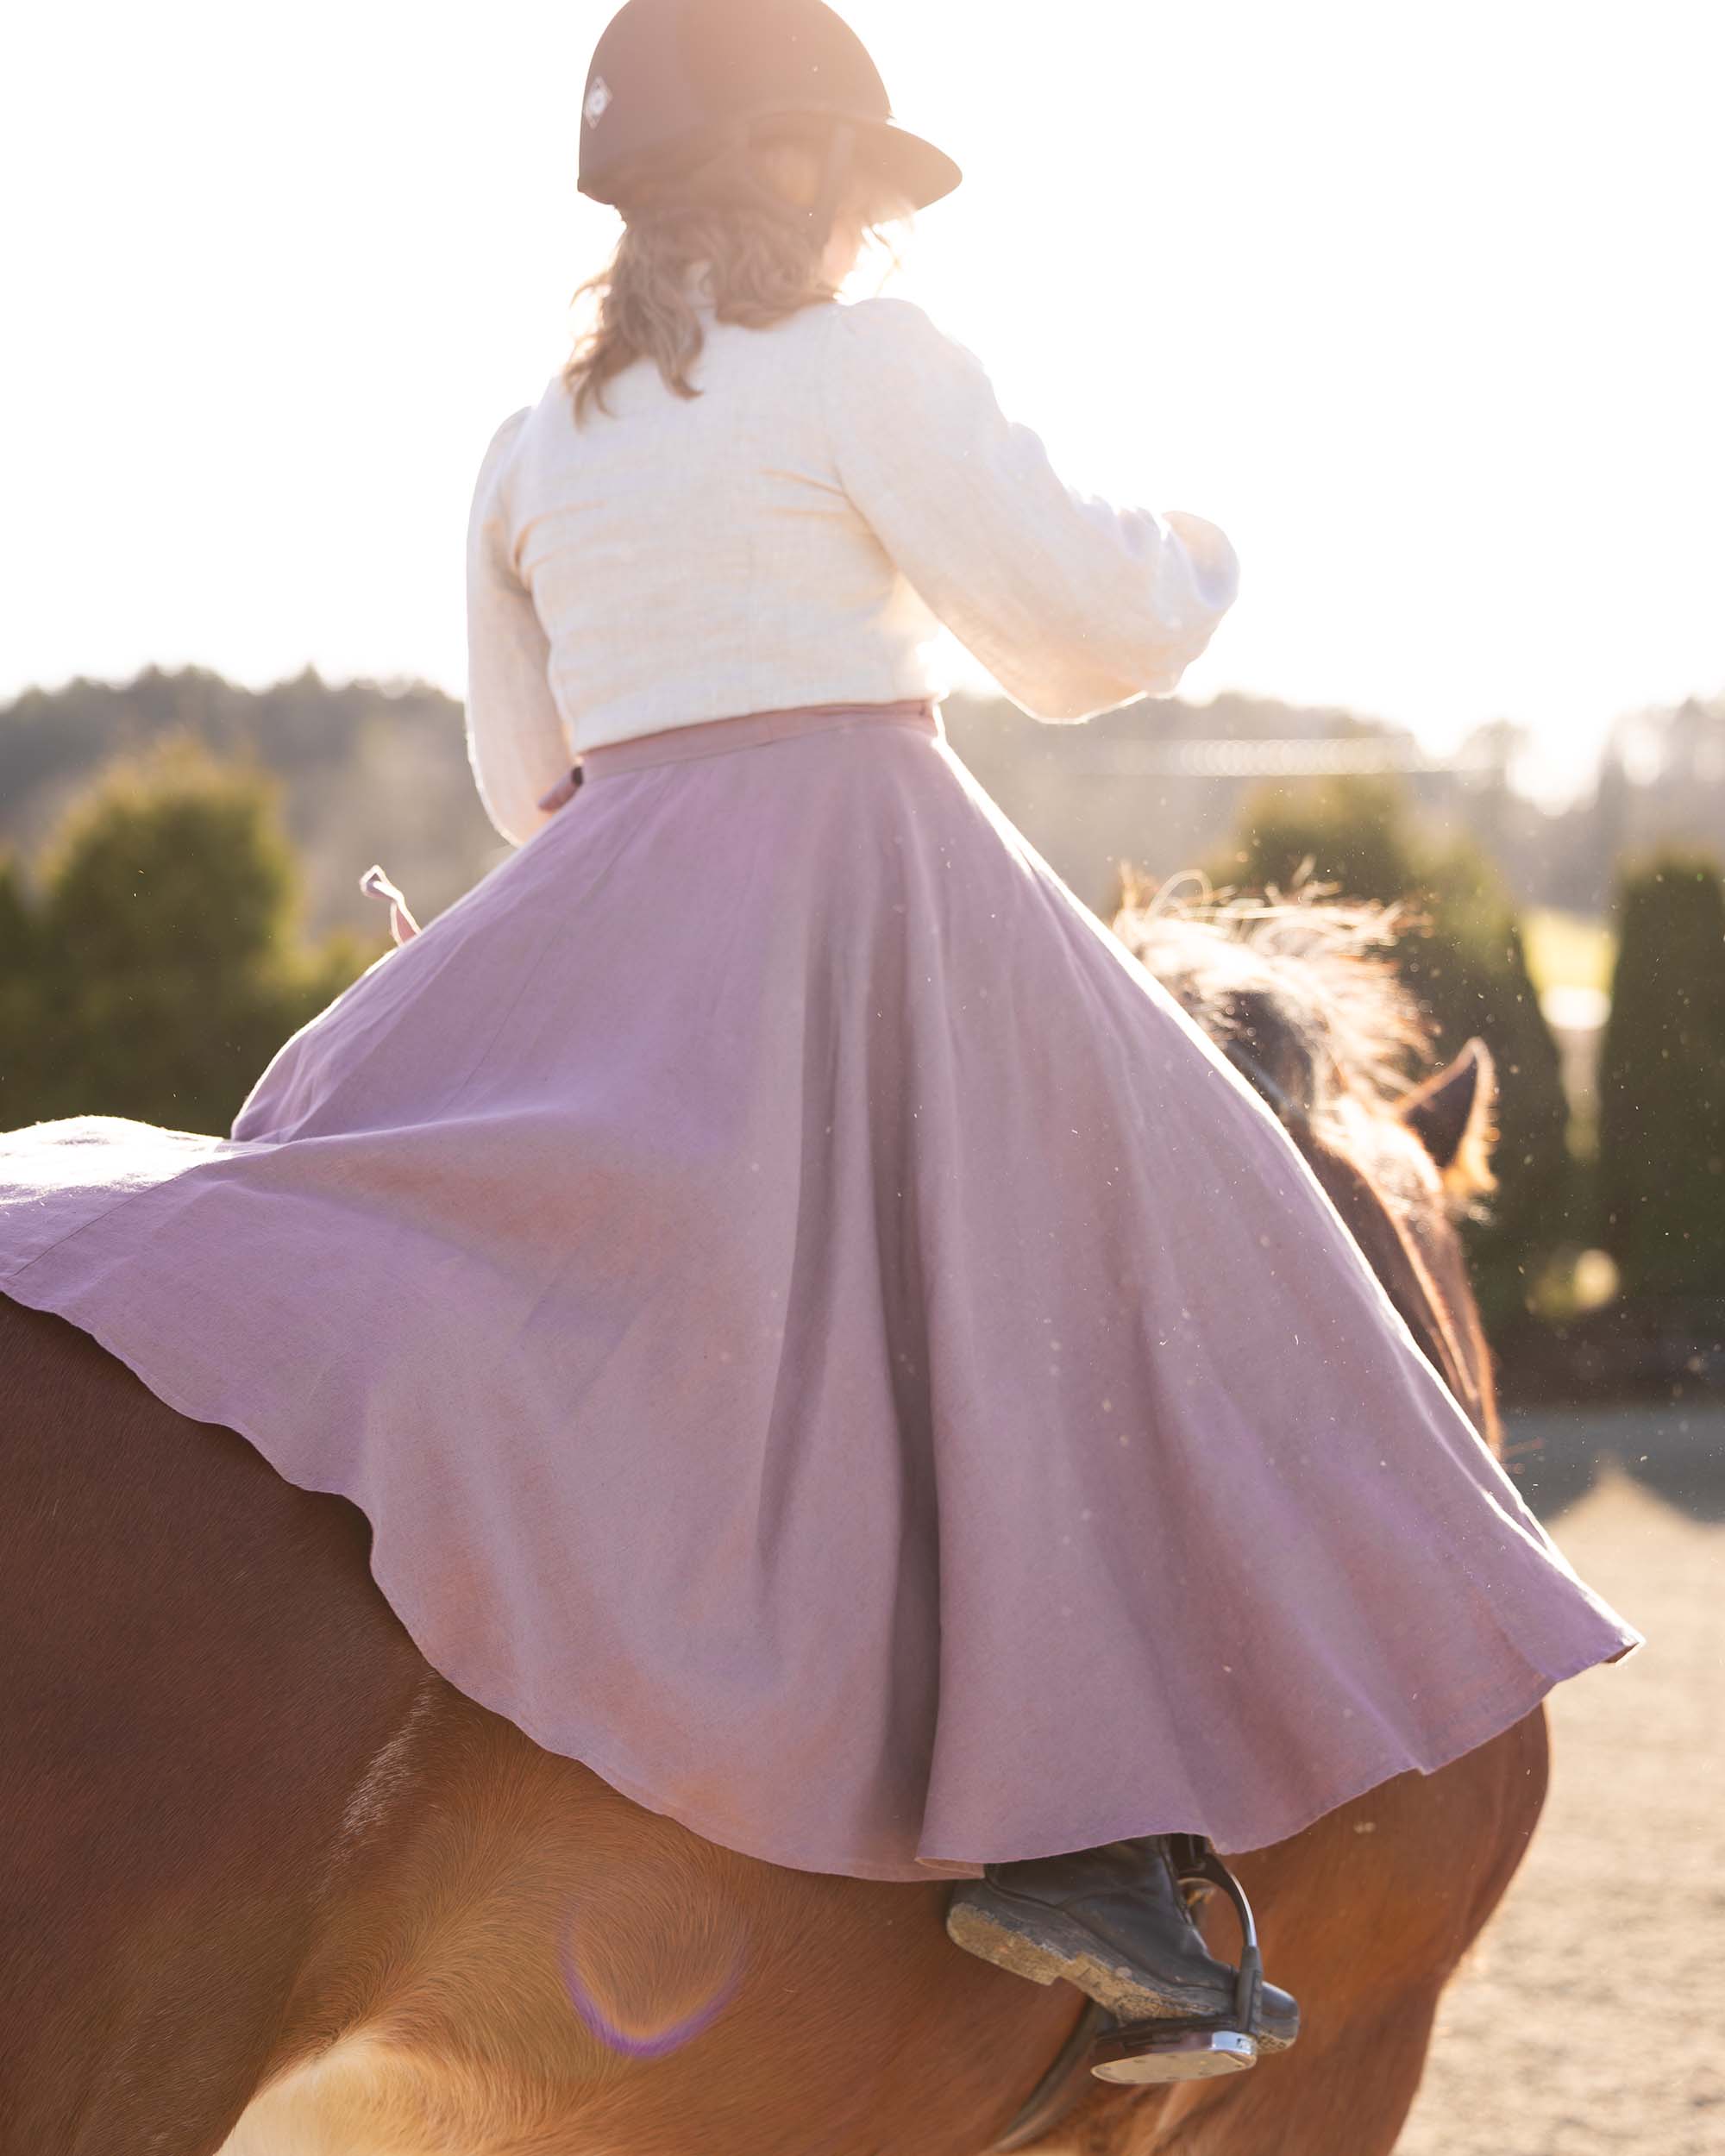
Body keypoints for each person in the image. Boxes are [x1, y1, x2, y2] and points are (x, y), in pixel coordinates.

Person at [0, 0, 1637, 2086]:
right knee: (1178, 1231)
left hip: (604, 894)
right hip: (869, 878)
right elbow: (1083, 635)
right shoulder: (871, 367)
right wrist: (1207, 555)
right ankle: (1100, 1853)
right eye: (855, 185)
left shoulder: (531, 443)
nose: (869, 228)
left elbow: (529, 776)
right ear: (794, 176)